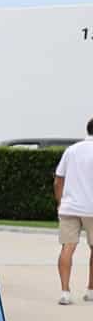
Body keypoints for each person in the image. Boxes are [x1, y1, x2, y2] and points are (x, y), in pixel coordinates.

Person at [57, 118, 93, 304]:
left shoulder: (71, 150)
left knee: (67, 247)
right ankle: (90, 290)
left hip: (69, 206)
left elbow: (58, 179)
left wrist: (60, 202)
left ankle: (65, 292)